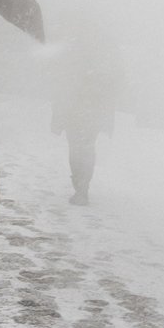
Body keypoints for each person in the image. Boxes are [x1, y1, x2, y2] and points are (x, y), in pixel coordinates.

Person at [49, 17, 124, 205]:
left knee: (77, 147)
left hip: (79, 105)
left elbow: (62, 79)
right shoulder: (105, 47)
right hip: (92, 107)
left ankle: (80, 187)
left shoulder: (74, 47)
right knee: (86, 146)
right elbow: (116, 80)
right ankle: (82, 187)